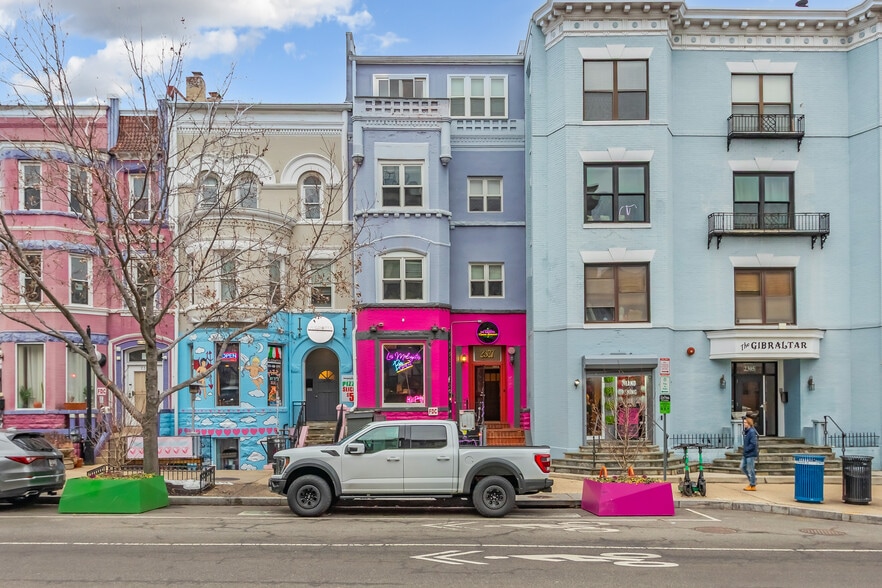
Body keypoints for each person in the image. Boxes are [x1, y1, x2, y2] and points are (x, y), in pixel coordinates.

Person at [741, 416, 759, 491]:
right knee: (742, 467)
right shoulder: (747, 431)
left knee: (750, 469)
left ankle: (752, 485)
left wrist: (747, 450)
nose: (744, 424)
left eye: (745, 423)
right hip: (746, 454)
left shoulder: (751, 432)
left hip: (750, 454)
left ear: (749, 423)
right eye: (744, 422)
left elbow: (753, 444)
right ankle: (753, 480)